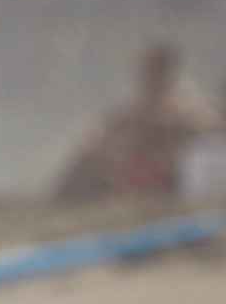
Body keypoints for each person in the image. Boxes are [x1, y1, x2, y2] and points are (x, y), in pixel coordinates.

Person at [55, 42, 214, 202]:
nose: (148, 77)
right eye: (147, 71)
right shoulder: (137, 106)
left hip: (166, 174)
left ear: (167, 72)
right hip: (132, 170)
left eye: (154, 70)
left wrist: (169, 127)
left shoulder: (184, 103)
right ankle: (59, 201)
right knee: (87, 158)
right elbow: (105, 129)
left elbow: (207, 129)